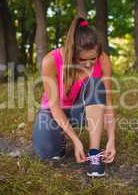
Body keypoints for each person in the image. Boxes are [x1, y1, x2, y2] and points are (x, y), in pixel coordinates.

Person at [32, 15, 116, 177]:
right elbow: (54, 107)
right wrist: (75, 140)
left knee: (96, 84)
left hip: (83, 111)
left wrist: (112, 139)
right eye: (82, 59)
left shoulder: (103, 59)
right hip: (55, 111)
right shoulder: (51, 61)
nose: (89, 64)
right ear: (72, 53)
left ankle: (94, 153)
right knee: (48, 152)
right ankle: (62, 137)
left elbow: (108, 104)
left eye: (93, 58)